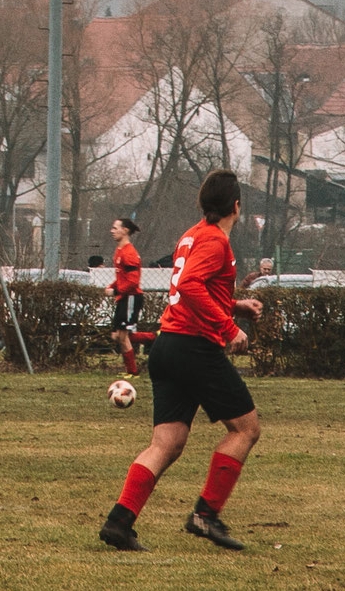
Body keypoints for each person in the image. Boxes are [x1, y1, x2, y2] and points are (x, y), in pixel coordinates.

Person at [100, 169, 263, 553]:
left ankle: (119, 521)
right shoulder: (216, 241)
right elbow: (190, 286)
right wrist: (227, 327)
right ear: (237, 206)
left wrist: (236, 305)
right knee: (246, 429)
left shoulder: (191, 235)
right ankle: (206, 514)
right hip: (194, 348)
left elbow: (193, 286)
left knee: (167, 442)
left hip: (168, 345)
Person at [107, 217, 157, 375]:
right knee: (117, 335)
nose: (112, 231)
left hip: (131, 297)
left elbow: (133, 282)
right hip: (124, 297)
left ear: (125, 230)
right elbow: (123, 277)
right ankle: (156, 337)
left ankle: (132, 372)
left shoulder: (129, 253)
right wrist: (112, 286)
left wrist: (115, 291)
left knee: (123, 336)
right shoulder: (119, 251)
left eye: (115, 228)